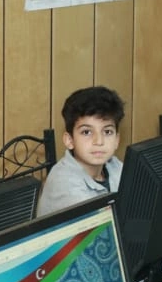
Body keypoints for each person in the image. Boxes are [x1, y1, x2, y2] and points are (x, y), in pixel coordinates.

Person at [37, 85, 125, 217]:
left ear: (117, 140)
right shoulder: (65, 186)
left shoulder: (113, 165)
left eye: (107, 132)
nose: (99, 141)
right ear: (69, 140)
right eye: (86, 132)